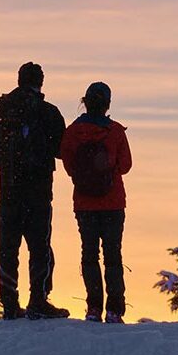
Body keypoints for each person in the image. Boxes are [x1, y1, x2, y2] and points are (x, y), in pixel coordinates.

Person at [0, 62, 69, 320]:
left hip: (8, 189)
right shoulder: (49, 113)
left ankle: (10, 304)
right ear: (40, 82)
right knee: (40, 246)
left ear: (19, 80)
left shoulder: (1, 112)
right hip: (39, 190)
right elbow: (61, 150)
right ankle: (38, 300)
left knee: (7, 247)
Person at [60, 82, 132, 324]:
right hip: (113, 203)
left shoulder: (72, 132)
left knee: (89, 255)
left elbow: (69, 166)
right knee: (113, 256)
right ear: (107, 104)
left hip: (84, 203)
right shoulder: (115, 132)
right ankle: (114, 310)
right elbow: (126, 166)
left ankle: (93, 309)